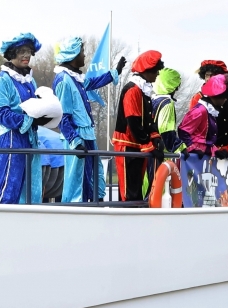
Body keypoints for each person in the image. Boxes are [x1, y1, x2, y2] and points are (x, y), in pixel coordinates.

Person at [53, 38, 124, 203]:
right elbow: (62, 116)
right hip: (76, 138)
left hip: (87, 135)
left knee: (93, 175)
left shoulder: (75, 78)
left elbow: (93, 82)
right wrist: (75, 141)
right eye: (82, 52)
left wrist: (114, 73)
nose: (84, 55)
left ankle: (93, 207)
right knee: (76, 180)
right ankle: (74, 211)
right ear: (73, 55)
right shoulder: (63, 80)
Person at [0, 34, 52, 205]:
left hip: (30, 139)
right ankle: (2, 218)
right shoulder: (2, 80)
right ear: (12, 53)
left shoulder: (30, 81)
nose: (26, 55)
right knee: (10, 187)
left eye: (29, 52)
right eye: (21, 52)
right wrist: (30, 120)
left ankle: (29, 220)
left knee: (31, 188)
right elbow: (1, 114)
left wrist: (44, 115)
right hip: (12, 139)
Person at [113, 50, 163, 202]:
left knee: (137, 187)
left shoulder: (143, 90)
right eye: (156, 71)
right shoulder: (132, 89)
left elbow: (148, 119)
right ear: (147, 71)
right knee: (129, 191)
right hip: (127, 144)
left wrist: (155, 136)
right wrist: (148, 145)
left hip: (137, 145)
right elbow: (133, 121)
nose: (157, 74)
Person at [189, 60, 228, 159]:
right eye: (207, 75)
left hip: (226, 152)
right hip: (205, 153)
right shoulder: (197, 98)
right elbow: (192, 129)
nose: (209, 78)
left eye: (213, 75)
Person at [179, 74, 228, 156]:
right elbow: (183, 131)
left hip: (203, 155)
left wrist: (216, 151)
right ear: (217, 96)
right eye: (225, 96)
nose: (225, 99)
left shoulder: (210, 111)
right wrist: (192, 148)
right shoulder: (200, 110)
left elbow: (206, 141)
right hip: (194, 157)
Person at [151, 68, 185, 156]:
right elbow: (166, 131)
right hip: (162, 153)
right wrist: (180, 147)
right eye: (176, 86)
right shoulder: (167, 104)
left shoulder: (152, 100)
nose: (177, 89)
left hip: (150, 150)